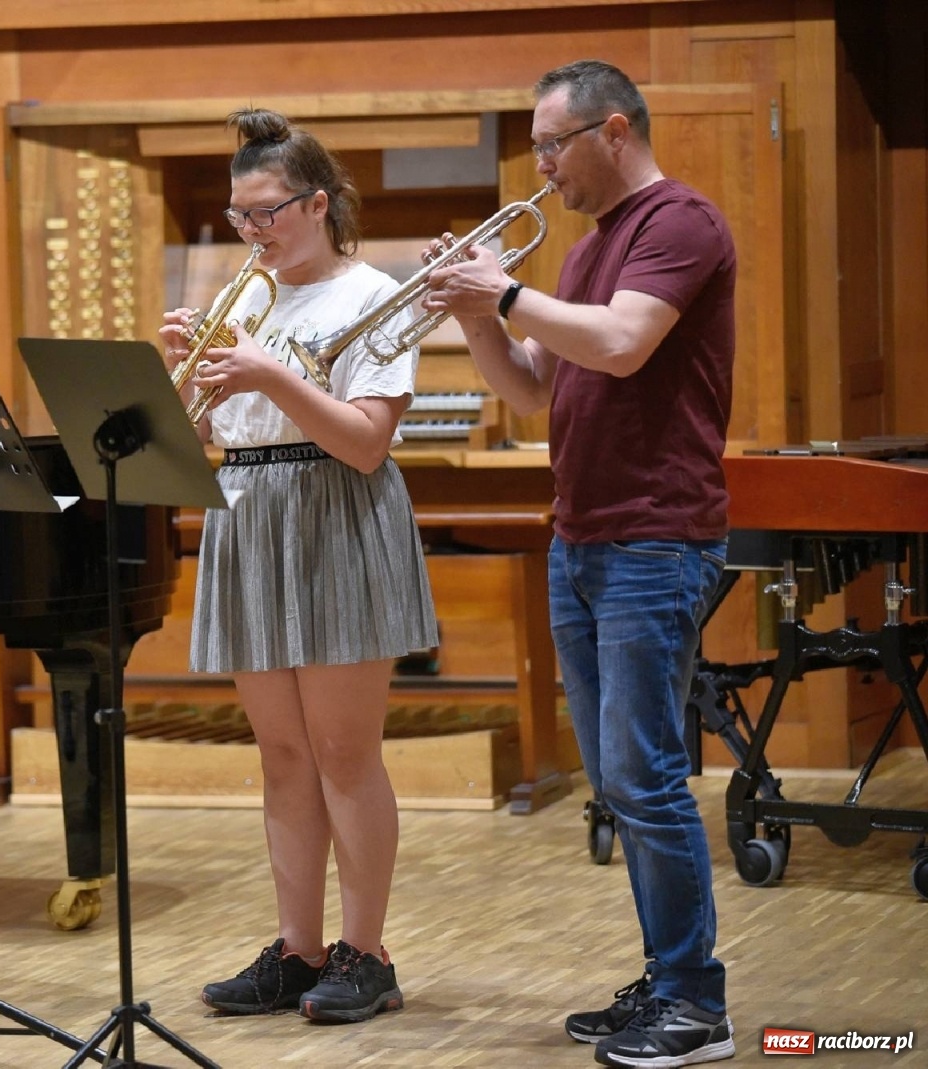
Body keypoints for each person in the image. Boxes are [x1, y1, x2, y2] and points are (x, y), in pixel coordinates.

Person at [423, 60, 736, 1067]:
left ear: (611, 131)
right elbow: (526, 392)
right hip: (582, 537)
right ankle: (663, 977)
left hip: (655, 537)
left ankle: (696, 1002)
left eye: (551, 145)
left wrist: (503, 288)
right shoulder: (588, 245)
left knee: (644, 778)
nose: (542, 167)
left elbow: (622, 345)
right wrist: (476, 312)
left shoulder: (678, 222)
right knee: (616, 779)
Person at [160, 108, 438, 1025]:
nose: (250, 233)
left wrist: (268, 376)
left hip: (335, 512)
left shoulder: (372, 296)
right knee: (282, 754)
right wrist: (190, 382)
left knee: (343, 751)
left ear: (317, 204)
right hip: (249, 513)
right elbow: (212, 439)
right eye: (238, 216)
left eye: (265, 212)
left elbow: (364, 444)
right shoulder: (248, 299)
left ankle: (368, 951)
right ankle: (299, 947)